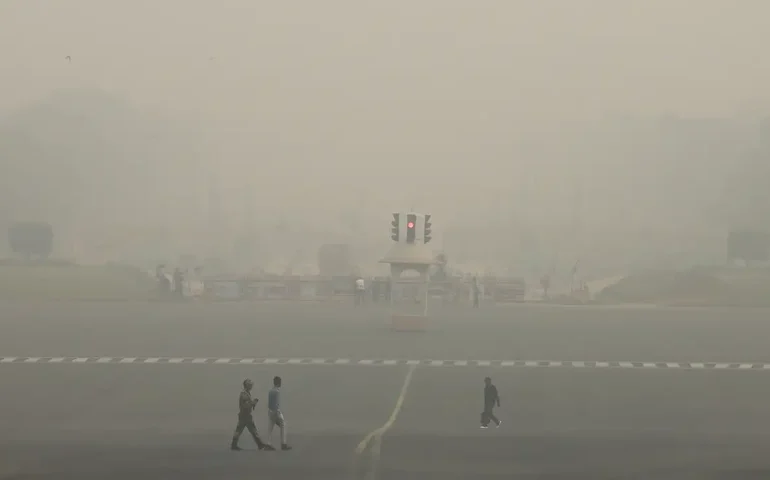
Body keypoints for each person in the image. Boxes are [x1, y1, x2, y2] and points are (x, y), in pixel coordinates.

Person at [231, 379, 274, 451]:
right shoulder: (244, 395)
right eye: (250, 384)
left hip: (244, 415)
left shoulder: (246, 393)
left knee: (242, 430)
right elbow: (246, 406)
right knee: (251, 431)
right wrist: (253, 402)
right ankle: (260, 445)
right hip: (245, 416)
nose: (251, 386)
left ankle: (234, 445)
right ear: (246, 385)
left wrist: (253, 402)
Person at [267, 376, 292, 450]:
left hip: (270, 411)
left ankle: (268, 443)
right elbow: (276, 403)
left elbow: (269, 403)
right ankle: (283, 444)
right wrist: (278, 412)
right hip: (276, 411)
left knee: (270, 427)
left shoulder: (270, 391)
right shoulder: (277, 391)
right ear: (278, 383)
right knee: (283, 425)